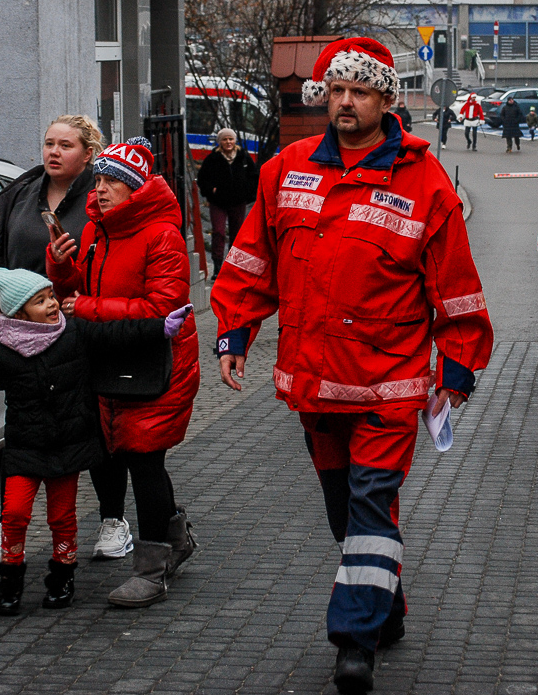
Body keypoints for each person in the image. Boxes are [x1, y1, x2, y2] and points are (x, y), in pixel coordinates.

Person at [210, 37, 494, 693]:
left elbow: (455, 287)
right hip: (314, 385)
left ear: (385, 99)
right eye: (336, 89)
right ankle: (385, 606)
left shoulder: (425, 182)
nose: (344, 101)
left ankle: (354, 642)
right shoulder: (286, 170)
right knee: (346, 514)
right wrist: (234, 332)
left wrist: (457, 368)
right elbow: (252, 261)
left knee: (369, 506)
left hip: (389, 386)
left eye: (359, 90)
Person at [0, 268, 190, 616]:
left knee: (62, 517)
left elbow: (116, 333)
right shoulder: (3, 352)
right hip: (24, 448)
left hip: (68, 448)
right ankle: (11, 581)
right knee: (14, 513)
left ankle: (62, 578)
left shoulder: (74, 332)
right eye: (40, 301)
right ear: (19, 314)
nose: (52, 304)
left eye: (51, 295)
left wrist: (159, 327)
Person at [47, 137, 201, 608]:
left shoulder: (162, 235)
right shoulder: (97, 232)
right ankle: (175, 540)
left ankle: (151, 571)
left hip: (159, 366)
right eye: (98, 179)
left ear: (136, 189)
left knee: (144, 459)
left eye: (112, 182)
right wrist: (60, 265)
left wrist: (86, 307)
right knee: (133, 457)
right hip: (112, 361)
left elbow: (161, 308)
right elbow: (75, 292)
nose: (100, 189)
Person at [0, 114, 103, 572]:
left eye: (65, 145)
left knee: (88, 426)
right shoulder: (16, 195)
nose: (53, 152)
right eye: (48, 143)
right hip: (20, 338)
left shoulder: (101, 195)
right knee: (23, 432)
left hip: (78, 335)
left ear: (88, 153)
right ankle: (8, 528)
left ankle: (111, 518)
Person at [196, 127, 260, 277]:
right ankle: (217, 265)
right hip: (218, 202)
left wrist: (247, 193)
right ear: (220, 142)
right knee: (218, 232)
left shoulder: (243, 157)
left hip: (238, 202)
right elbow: (202, 179)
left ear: (235, 140)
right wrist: (211, 190)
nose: (228, 142)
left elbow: (254, 176)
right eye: (225, 139)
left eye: (231, 139)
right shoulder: (213, 159)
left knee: (236, 234)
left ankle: (232, 267)